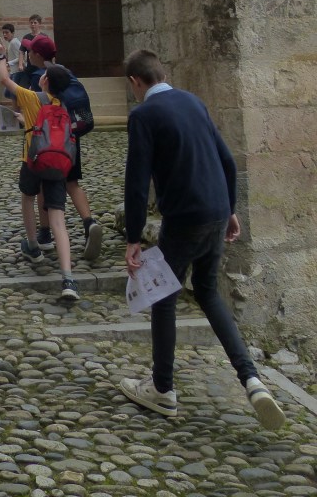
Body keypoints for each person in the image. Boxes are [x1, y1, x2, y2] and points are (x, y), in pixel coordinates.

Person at [120, 49, 286, 429]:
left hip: (184, 216)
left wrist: (133, 236)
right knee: (209, 293)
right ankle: (252, 380)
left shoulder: (143, 114)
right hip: (215, 211)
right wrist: (229, 209)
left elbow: (136, 178)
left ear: (135, 82)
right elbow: (226, 159)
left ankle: (162, 388)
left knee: (164, 295)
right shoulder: (194, 102)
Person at [0, 41, 79, 300]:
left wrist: (1, 55)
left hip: (32, 160)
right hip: (58, 164)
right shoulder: (64, 106)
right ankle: (67, 278)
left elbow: (3, 79)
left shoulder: (32, 98)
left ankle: (32, 245)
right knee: (58, 220)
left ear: (44, 81)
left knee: (28, 198)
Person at [23, 34, 104, 263]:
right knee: (72, 183)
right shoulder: (64, 71)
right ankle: (90, 223)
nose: (28, 54)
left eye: (30, 51)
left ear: (37, 55)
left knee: (41, 184)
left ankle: (45, 232)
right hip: (71, 137)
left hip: (49, 142)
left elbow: (37, 112)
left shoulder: (41, 77)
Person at [16, 13, 47, 86]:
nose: (33, 24)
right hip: (29, 67)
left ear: (39, 24)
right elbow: (21, 51)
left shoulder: (44, 37)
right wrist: (20, 64)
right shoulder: (26, 37)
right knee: (24, 86)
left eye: (35, 23)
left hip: (41, 67)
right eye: (31, 23)